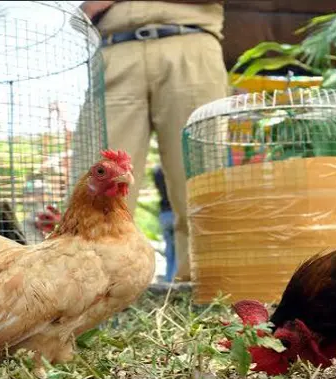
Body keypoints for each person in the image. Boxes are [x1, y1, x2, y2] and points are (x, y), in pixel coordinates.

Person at [79, 0, 228, 284]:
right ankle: (96, 292)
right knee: (97, 181)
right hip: (113, 50)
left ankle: (207, 291)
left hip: (190, 43)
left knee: (203, 177)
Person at [153, 165, 176, 282]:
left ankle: (168, 279)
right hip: (175, 212)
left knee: (169, 250)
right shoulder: (174, 171)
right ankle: (175, 280)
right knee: (179, 249)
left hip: (164, 214)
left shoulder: (156, 171)